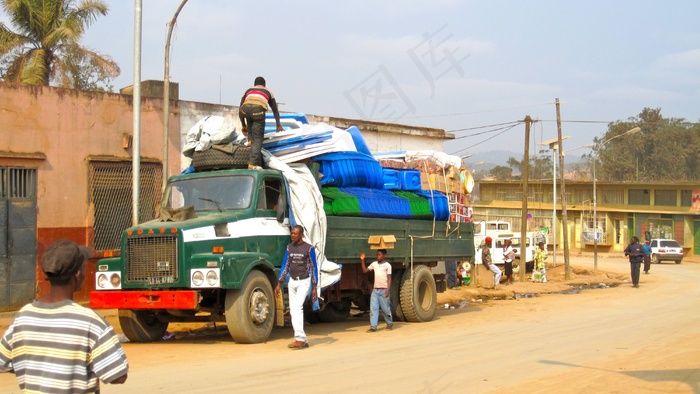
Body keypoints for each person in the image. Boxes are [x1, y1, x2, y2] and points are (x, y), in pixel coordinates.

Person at [0, 240, 128, 392]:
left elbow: (4, 361)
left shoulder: (23, 317)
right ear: (78, 274)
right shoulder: (90, 322)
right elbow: (118, 375)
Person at [275, 225, 318, 349]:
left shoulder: (309, 249)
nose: (292, 235)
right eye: (292, 233)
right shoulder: (289, 248)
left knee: (298, 308)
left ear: (301, 234)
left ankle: (299, 339)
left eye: (295, 233)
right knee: (293, 311)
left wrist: (314, 286)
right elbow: (285, 265)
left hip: (304, 282)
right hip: (292, 282)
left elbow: (313, 267)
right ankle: (301, 339)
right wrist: (279, 283)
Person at [238, 76, 283, 170]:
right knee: (258, 138)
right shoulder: (268, 91)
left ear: (255, 84)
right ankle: (252, 164)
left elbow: (241, 108)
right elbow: (275, 109)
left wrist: (243, 125)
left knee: (251, 138)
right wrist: (278, 125)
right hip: (257, 111)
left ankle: (254, 159)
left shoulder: (248, 90)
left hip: (245, 111)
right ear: (264, 85)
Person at [360, 249, 393, 332]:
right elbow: (364, 271)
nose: (377, 256)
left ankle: (389, 323)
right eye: (377, 255)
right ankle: (373, 327)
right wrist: (362, 260)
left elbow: (389, 279)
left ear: (384, 255)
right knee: (373, 309)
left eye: (379, 255)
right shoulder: (374, 264)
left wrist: (388, 290)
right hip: (375, 291)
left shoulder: (388, 265)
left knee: (385, 309)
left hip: (384, 290)